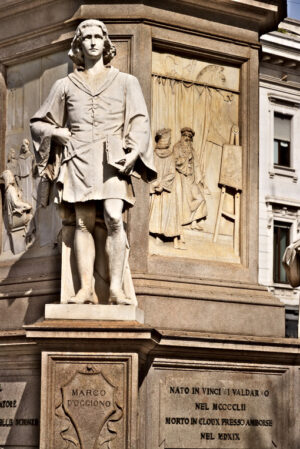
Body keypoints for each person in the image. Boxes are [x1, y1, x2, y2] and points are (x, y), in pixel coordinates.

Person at [30, 19, 156, 305]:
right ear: (79, 44)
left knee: (113, 216)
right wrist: (55, 132)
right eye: (86, 37)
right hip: (77, 158)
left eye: (98, 36)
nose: (93, 41)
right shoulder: (65, 85)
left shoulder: (126, 82)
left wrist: (134, 153)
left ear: (106, 42)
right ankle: (85, 288)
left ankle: (116, 289)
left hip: (111, 158)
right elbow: (38, 122)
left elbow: (139, 121)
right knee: (83, 222)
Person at [174, 127, 207, 230]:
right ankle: (184, 222)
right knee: (184, 201)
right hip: (181, 177)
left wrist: (200, 179)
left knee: (200, 199)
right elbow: (174, 162)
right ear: (182, 136)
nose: (187, 138)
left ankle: (193, 221)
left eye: (189, 136)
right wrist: (185, 159)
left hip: (191, 179)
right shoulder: (177, 147)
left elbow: (196, 165)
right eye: (185, 136)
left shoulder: (192, 150)